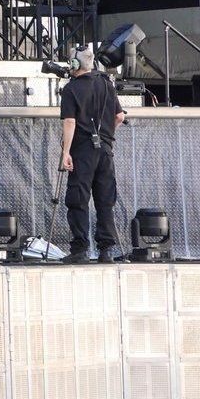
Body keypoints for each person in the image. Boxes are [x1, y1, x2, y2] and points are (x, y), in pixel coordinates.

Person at [60, 45, 125, 262]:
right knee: (105, 200)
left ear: (75, 64)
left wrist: (65, 152)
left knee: (78, 199)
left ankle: (80, 250)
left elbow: (70, 121)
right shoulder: (107, 84)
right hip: (105, 151)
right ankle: (106, 251)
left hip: (82, 152)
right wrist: (107, 136)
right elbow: (119, 117)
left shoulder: (71, 89)